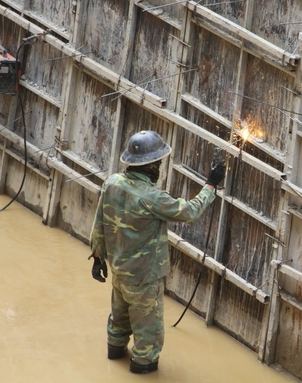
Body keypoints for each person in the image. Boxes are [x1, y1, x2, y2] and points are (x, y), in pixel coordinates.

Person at [88, 130, 225, 374]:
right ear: (151, 166)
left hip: (119, 272)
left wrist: (97, 259)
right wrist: (211, 185)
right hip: (144, 279)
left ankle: (114, 356)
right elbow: (189, 212)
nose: (160, 167)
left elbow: (99, 223)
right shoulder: (152, 197)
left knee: (118, 322)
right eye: (158, 163)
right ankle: (142, 371)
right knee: (148, 338)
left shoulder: (112, 183)